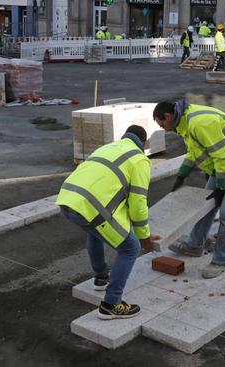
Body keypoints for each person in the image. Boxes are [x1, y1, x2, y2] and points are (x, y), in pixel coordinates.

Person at [56, 125, 157, 320]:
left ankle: (101, 277)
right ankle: (111, 304)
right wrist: (143, 236)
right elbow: (137, 202)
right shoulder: (139, 160)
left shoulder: (108, 147)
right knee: (130, 248)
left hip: (68, 197)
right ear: (143, 143)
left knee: (95, 231)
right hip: (90, 205)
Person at [153, 100, 225, 279]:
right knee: (205, 206)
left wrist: (220, 186)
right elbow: (195, 152)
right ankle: (194, 246)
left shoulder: (199, 123)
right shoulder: (185, 122)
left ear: (168, 116)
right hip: (222, 166)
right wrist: (182, 174)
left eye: (162, 124)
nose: (163, 128)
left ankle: (221, 261)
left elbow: (222, 155)